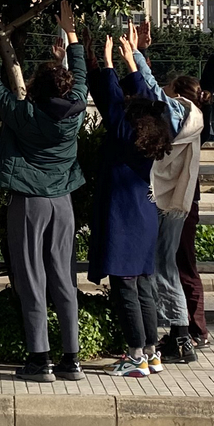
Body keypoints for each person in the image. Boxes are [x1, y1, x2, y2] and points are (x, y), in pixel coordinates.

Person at [0, 3, 87, 382]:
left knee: (31, 277)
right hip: (63, 202)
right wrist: (70, 37)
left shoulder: (25, 115)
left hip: (30, 202)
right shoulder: (78, 109)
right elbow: (81, 74)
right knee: (64, 279)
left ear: (36, 87)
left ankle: (40, 359)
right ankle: (72, 359)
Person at [146, 21, 214, 349]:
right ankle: (187, 328)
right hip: (186, 200)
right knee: (180, 262)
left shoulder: (179, 121)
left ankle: (194, 329)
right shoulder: (199, 120)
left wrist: (141, 52)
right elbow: (207, 86)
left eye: (172, 93)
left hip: (171, 201)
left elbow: (150, 92)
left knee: (180, 263)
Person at [87, 34, 174, 378]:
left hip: (122, 216)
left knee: (125, 287)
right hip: (144, 215)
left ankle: (136, 355)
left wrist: (109, 60)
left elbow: (110, 100)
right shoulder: (156, 132)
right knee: (143, 285)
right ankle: (152, 353)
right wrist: (131, 61)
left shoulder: (124, 135)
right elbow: (149, 98)